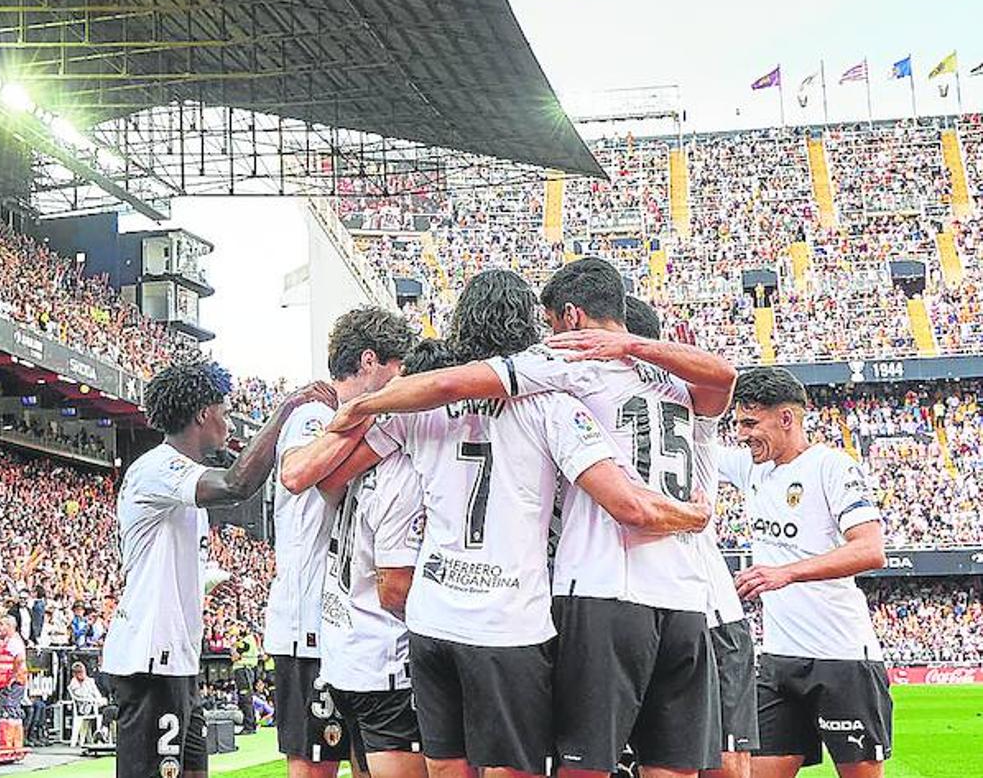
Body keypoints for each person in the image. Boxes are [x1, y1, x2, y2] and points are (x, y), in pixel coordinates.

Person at [329, 260, 737, 778]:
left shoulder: (558, 373)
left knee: (563, 767)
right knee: (669, 766)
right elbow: (725, 375)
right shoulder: (674, 383)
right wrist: (691, 517)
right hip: (676, 598)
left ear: (570, 317)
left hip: (578, 595)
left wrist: (364, 406)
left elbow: (451, 388)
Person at [100, 359, 337, 778]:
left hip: (178, 661)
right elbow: (236, 485)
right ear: (203, 415)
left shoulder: (180, 481)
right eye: (224, 414)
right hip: (150, 658)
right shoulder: (158, 467)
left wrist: (205, 583)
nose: (228, 426)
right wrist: (285, 411)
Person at [719, 367, 891, 778]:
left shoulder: (831, 467)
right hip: (779, 662)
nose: (741, 434)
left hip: (842, 657)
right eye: (738, 422)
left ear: (786, 418)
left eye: (750, 422)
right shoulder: (752, 469)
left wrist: (787, 573)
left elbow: (871, 549)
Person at [269, 306, 415, 778]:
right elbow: (299, 475)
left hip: (347, 632)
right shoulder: (316, 413)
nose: (403, 380)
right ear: (370, 362)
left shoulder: (351, 419)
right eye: (397, 369)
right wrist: (369, 412)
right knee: (316, 769)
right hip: (307, 627)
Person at [626, 296, 760, 778]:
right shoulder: (676, 402)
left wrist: (634, 348)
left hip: (704, 608)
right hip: (668, 605)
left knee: (720, 761)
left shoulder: (685, 404)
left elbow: (721, 377)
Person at [318, 339, 456, 778]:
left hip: (348, 652)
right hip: (384, 663)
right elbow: (394, 589)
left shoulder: (362, 461)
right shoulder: (404, 471)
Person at [0, 616, 28, 749]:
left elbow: (20, 660)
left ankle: (9, 745)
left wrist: (12, 678)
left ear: (10, 626)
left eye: (1, 624)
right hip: (8, 682)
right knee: (10, 712)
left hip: (12, 683)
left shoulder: (13, 642)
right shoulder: (9, 641)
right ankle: (12, 744)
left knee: (10, 712)